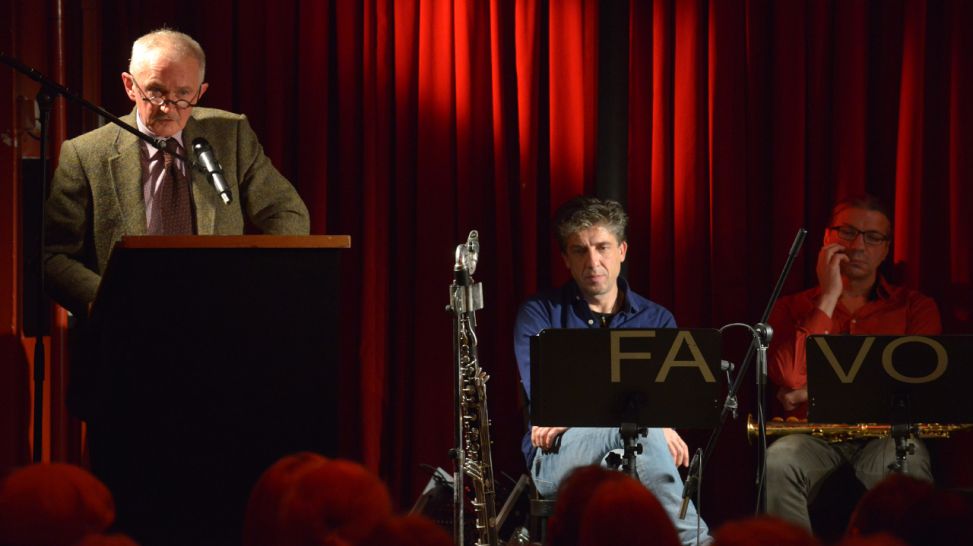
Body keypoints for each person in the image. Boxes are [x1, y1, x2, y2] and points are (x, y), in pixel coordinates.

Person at [43, 29, 310, 421]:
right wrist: (110, 300)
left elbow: (288, 215)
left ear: (201, 92)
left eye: (182, 95)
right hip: (125, 354)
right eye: (155, 92)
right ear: (129, 86)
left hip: (218, 348)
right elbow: (53, 256)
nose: (168, 107)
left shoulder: (230, 135)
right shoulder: (86, 154)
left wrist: (248, 287)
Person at [513, 196, 711, 545]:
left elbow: (669, 400)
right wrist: (653, 421)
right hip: (555, 457)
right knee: (643, 431)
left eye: (602, 247)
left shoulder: (657, 319)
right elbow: (546, 397)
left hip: (635, 455)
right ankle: (696, 541)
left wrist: (577, 409)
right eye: (579, 250)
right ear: (566, 260)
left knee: (638, 437)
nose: (593, 261)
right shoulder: (539, 315)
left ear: (621, 250)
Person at [765, 194, 940, 531]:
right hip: (812, 435)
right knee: (778, 461)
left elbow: (920, 384)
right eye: (847, 232)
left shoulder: (916, 308)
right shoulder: (789, 306)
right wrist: (829, 296)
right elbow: (788, 373)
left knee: (911, 462)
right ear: (827, 239)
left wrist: (805, 393)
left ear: (886, 249)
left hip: (887, 434)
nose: (858, 246)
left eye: (873, 237)